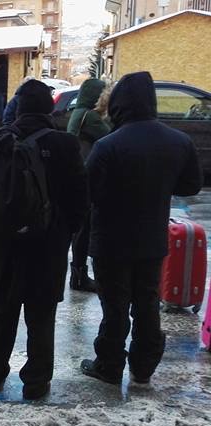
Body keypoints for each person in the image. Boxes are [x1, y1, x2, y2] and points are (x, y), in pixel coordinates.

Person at [80, 72, 203, 386]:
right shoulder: (178, 141)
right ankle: (144, 366)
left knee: (115, 305)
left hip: (110, 240)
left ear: (120, 103)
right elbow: (190, 184)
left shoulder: (108, 146)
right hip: (151, 239)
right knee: (147, 301)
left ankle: (108, 365)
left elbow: (86, 193)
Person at [0, 80, 89, 400]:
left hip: (1, 246)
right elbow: (80, 200)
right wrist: (65, 234)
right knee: (41, 316)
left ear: (19, 107)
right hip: (47, 246)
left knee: (0, 311)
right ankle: (36, 382)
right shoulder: (66, 145)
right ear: (48, 108)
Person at [66, 79, 112, 293]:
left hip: (77, 175)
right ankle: (79, 276)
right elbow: (112, 136)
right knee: (84, 230)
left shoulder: (78, 112)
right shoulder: (90, 117)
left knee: (81, 230)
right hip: (86, 177)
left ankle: (78, 274)